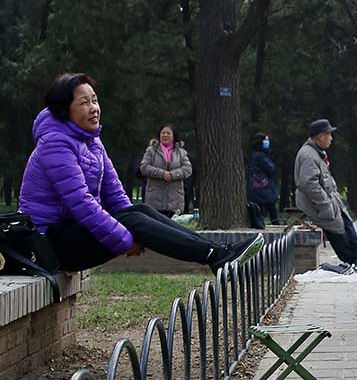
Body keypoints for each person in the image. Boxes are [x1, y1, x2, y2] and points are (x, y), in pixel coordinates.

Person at [18, 73, 264, 275]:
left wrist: (133, 229)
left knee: (139, 211)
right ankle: (217, 256)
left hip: (72, 234)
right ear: (64, 110)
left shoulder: (91, 141)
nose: (94, 109)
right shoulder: (56, 144)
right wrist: (125, 238)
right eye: (84, 103)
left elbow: (115, 196)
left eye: (95, 100)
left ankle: (218, 253)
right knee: (133, 220)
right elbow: (82, 204)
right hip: (49, 244)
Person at [294, 119, 357, 270]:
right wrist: (325, 205)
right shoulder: (309, 155)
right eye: (328, 134)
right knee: (338, 233)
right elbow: (309, 184)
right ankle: (351, 261)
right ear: (320, 136)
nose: (331, 138)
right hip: (318, 206)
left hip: (329, 201)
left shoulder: (316, 153)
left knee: (347, 225)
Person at [140, 124, 192, 217]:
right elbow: (144, 167)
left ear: (173, 136)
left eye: (168, 133)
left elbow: (188, 169)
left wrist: (173, 175)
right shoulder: (151, 151)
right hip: (154, 201)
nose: (165, 135)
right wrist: (162, 174)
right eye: (163, 133)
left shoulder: (181, 152)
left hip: (175, 201)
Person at [247, 132, 280, 224]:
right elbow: (271, 169)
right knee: (272, 211)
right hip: (263, 190)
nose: (267, 142)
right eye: (265, 140)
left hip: (259, 190)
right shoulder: (260, 156)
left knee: (261, 212)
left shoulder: (255, 155)